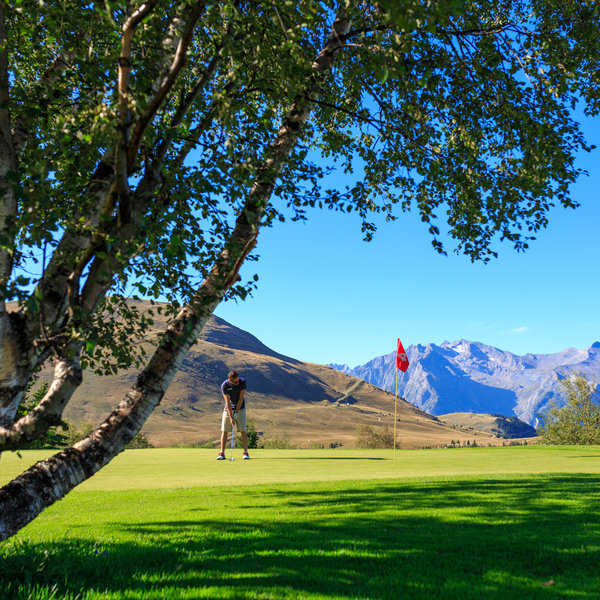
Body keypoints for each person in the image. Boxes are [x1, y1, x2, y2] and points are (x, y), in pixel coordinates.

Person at [217, 370, 250, 460]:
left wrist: (236, 413)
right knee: (224, 430)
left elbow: (241, 398)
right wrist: (231, 417)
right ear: (230, 381)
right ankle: (222, 453)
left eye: (238, 380)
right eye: (236, 382)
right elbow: (227, 402)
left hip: (241, 408)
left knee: (243, 430)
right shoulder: (225, 385)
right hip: (228, 409)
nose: (238, 382)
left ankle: (245, 452)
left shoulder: (242, 382)